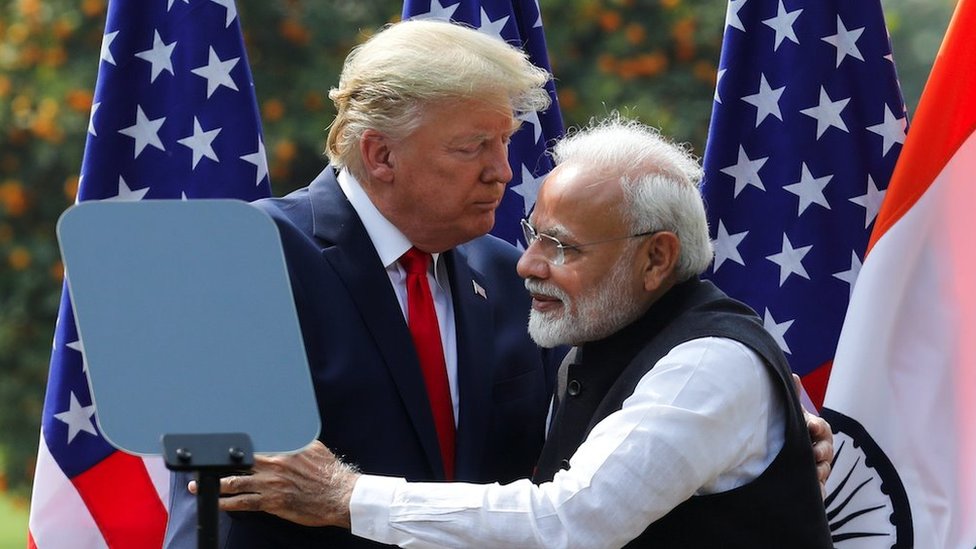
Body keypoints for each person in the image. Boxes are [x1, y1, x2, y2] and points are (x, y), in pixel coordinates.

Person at [206, 115, 834, 548]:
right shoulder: (601, 337)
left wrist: (345, 496)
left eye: (562, 246)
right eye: (534, 234)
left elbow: (569, 522)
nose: (526, 265)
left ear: (656, 258)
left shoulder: (705, 367)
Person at [164, 19, 561, 548]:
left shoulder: (511, 277)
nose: (502, 171)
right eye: (473, 147)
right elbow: (222, 499)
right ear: (381, 155)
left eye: (505, 141)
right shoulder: (250, 258)